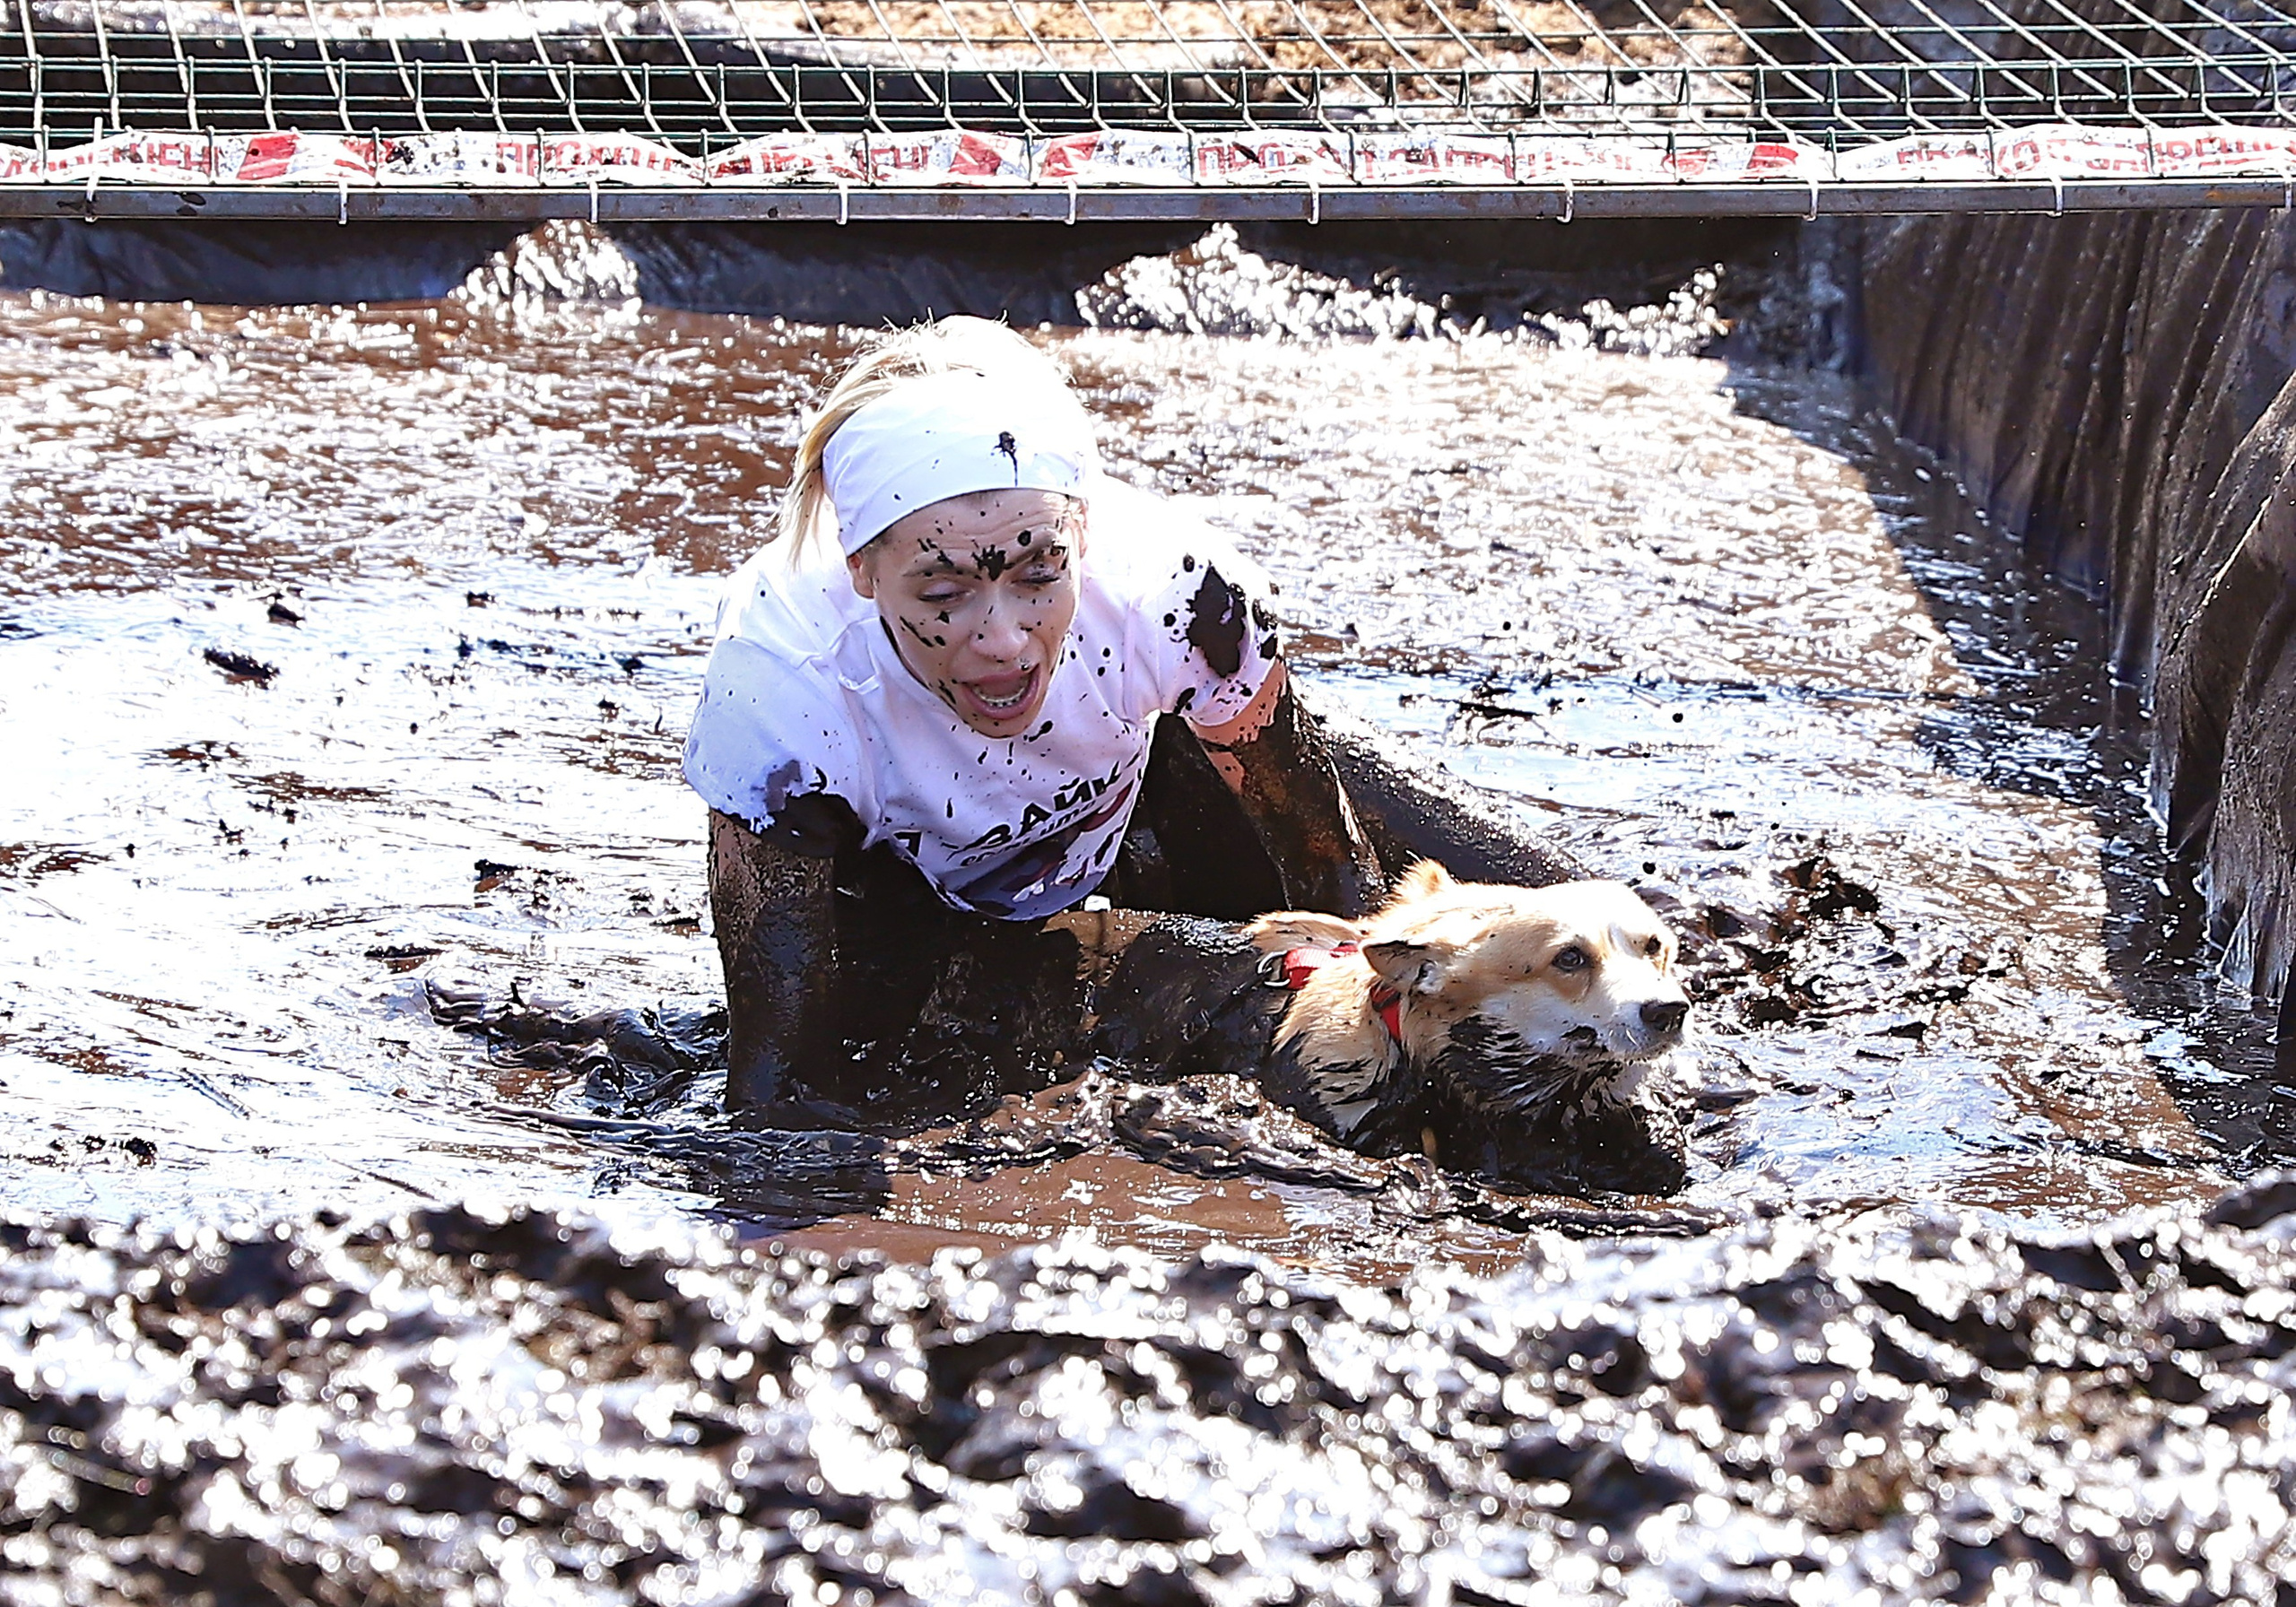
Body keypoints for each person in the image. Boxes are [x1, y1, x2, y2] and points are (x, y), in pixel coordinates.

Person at [687, 317, 1579, 1116]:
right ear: (861, 569)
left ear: (1082, 534)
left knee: (1546, 911)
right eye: (943, 592)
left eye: (1038, 576)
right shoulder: (781, 687)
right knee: (876, 1067)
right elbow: (772, 1072)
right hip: (907, 901)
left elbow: (1330, 873)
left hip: (1133, 818)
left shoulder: (1179, 595)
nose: (1003, 641)